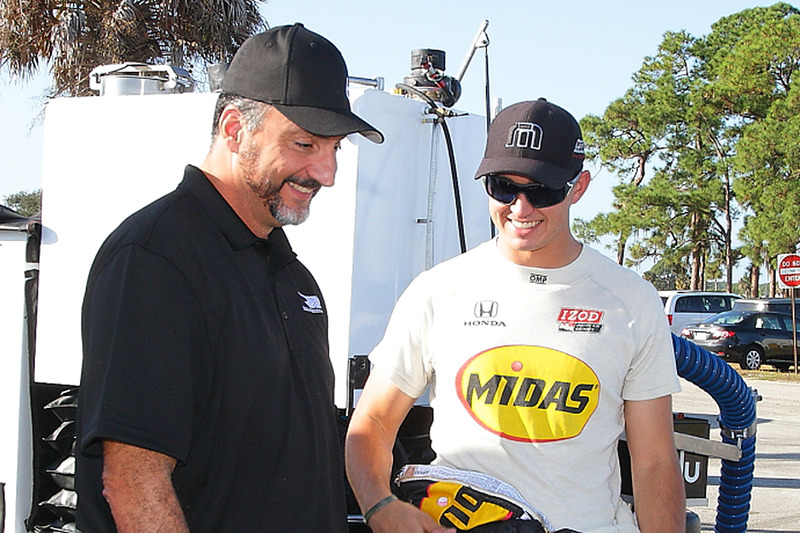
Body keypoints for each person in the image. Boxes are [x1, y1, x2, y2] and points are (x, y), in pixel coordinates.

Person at [75, 23, 383, 532]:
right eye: (305, 144)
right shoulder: (155, 258)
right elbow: (134, 483)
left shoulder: (294, 277)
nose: (326, 172)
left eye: (335, 149)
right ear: (236, 129)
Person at [345, 99, 685, 533]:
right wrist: (380, 506)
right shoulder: (438, 290)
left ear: (578, 188)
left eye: (543, 190)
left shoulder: (631, 300)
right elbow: (372, 422)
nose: (521, 208)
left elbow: (655, 460)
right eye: (504, 187)